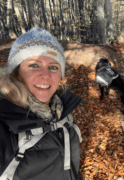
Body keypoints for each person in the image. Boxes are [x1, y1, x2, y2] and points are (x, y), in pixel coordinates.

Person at [0, 27, 83, 180]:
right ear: (16, 72)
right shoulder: (5, 124)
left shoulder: (62, 113)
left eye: (53, 67)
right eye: (34, 65)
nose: (45, 76)